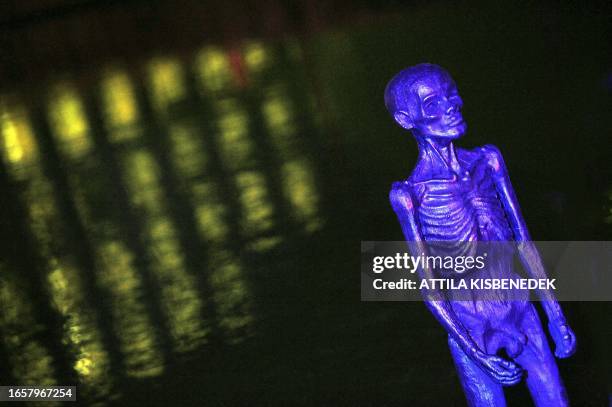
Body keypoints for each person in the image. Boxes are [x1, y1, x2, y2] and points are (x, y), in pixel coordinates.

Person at [386, 63, 576, 406]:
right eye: (432, 104)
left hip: (519, 307)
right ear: (405, 119)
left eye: (451, 94)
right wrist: (475, 352)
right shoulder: (409, 194)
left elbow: (522, 239)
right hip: (470, 323)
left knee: (556, 398)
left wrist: (555, 314)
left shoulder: (488, 161)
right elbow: (429, 288)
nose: (450, 107)